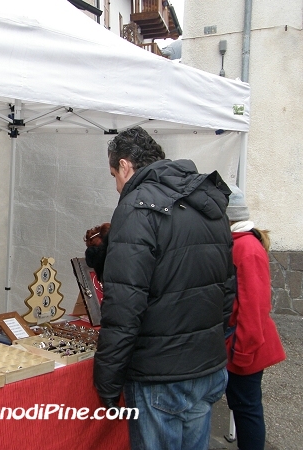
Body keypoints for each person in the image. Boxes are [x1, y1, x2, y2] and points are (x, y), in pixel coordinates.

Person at [93, 126, 235, 450]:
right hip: (206, 367)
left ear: (126, 166)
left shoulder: (136, 208)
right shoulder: (207, 203)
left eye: (114, 174)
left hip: (160, 377)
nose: (116, 185)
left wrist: (107, 380)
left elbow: (124, 308)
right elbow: (227, 290)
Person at [225, 185, 286, 450]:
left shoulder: (246, 248)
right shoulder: (240, 243)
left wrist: (242, 354)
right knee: (243, 406)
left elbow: (255, 308)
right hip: (238, 343)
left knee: (247, 409)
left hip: (244, 346)